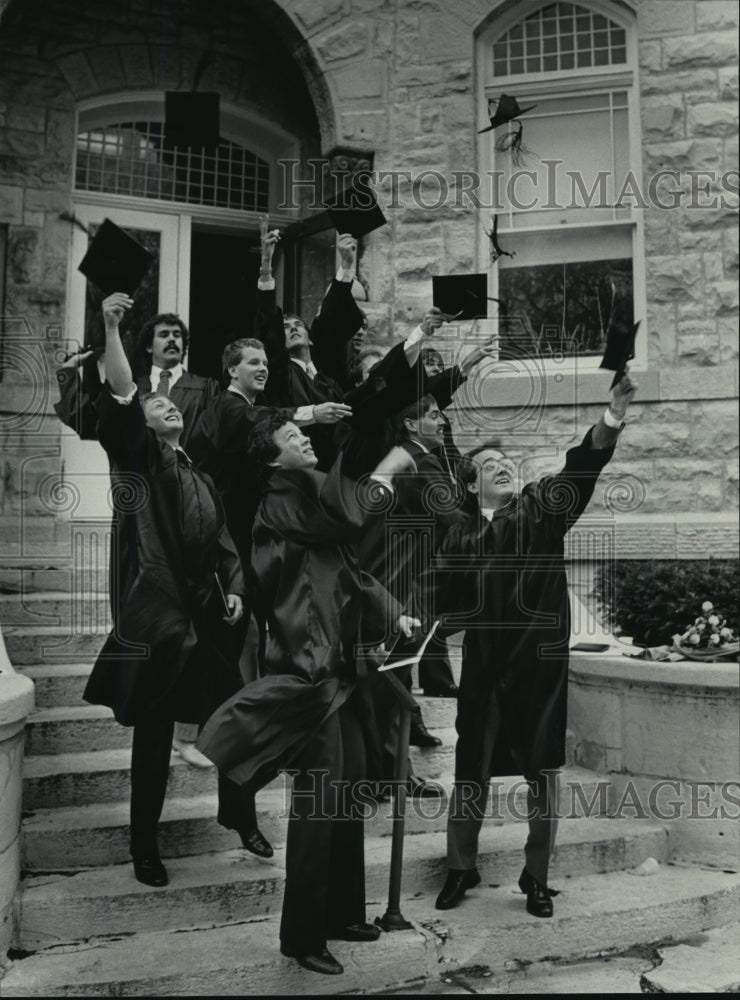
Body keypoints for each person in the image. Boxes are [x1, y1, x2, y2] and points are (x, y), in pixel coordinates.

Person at [198, 411, 419, 976]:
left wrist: (397, 615)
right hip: (309, 671)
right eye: (292, 437)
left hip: (336, 672)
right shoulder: (281, 498)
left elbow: (353, 574)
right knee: (319, 806)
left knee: (347, 795)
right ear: (274, 458)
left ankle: (343, 913)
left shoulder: (306, 502)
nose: (304, 439)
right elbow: (350, 517)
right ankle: (301, 935)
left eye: (303, 433)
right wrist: (389, 468)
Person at [423, 371, 637, 917]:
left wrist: (609, 419)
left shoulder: (541, 511)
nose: (502, 468)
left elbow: (580, 469)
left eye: (506, 464)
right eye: (490, 467)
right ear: (472, 487)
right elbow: (439, 603)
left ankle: (536, 876)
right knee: (470, 769)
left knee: (542, 774)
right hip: (484, 672)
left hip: (536, 669)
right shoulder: (459, 535)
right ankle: (459, 866)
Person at [83, 292, 263, 887]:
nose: (165, 406)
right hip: (163, 619)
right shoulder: (144, 460)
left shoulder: (199, 473)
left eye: (168, 404)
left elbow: (223, 541)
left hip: (207, 615)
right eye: (154, 405)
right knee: (155, 738)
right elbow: (122, 392)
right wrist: (112, 326)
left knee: (238, 715)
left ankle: (240, 816)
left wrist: (235, 585)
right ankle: (144, 845)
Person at [254, 217, 361, 469]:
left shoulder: (329, 371)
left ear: (310, 337)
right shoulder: (280, 373)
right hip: (302, 467)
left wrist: (346, 265)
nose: (292, 329)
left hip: (342, 467)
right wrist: (267, 268)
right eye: (286, 328)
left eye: (297, 325)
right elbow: (268, 322)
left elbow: (332, 321)